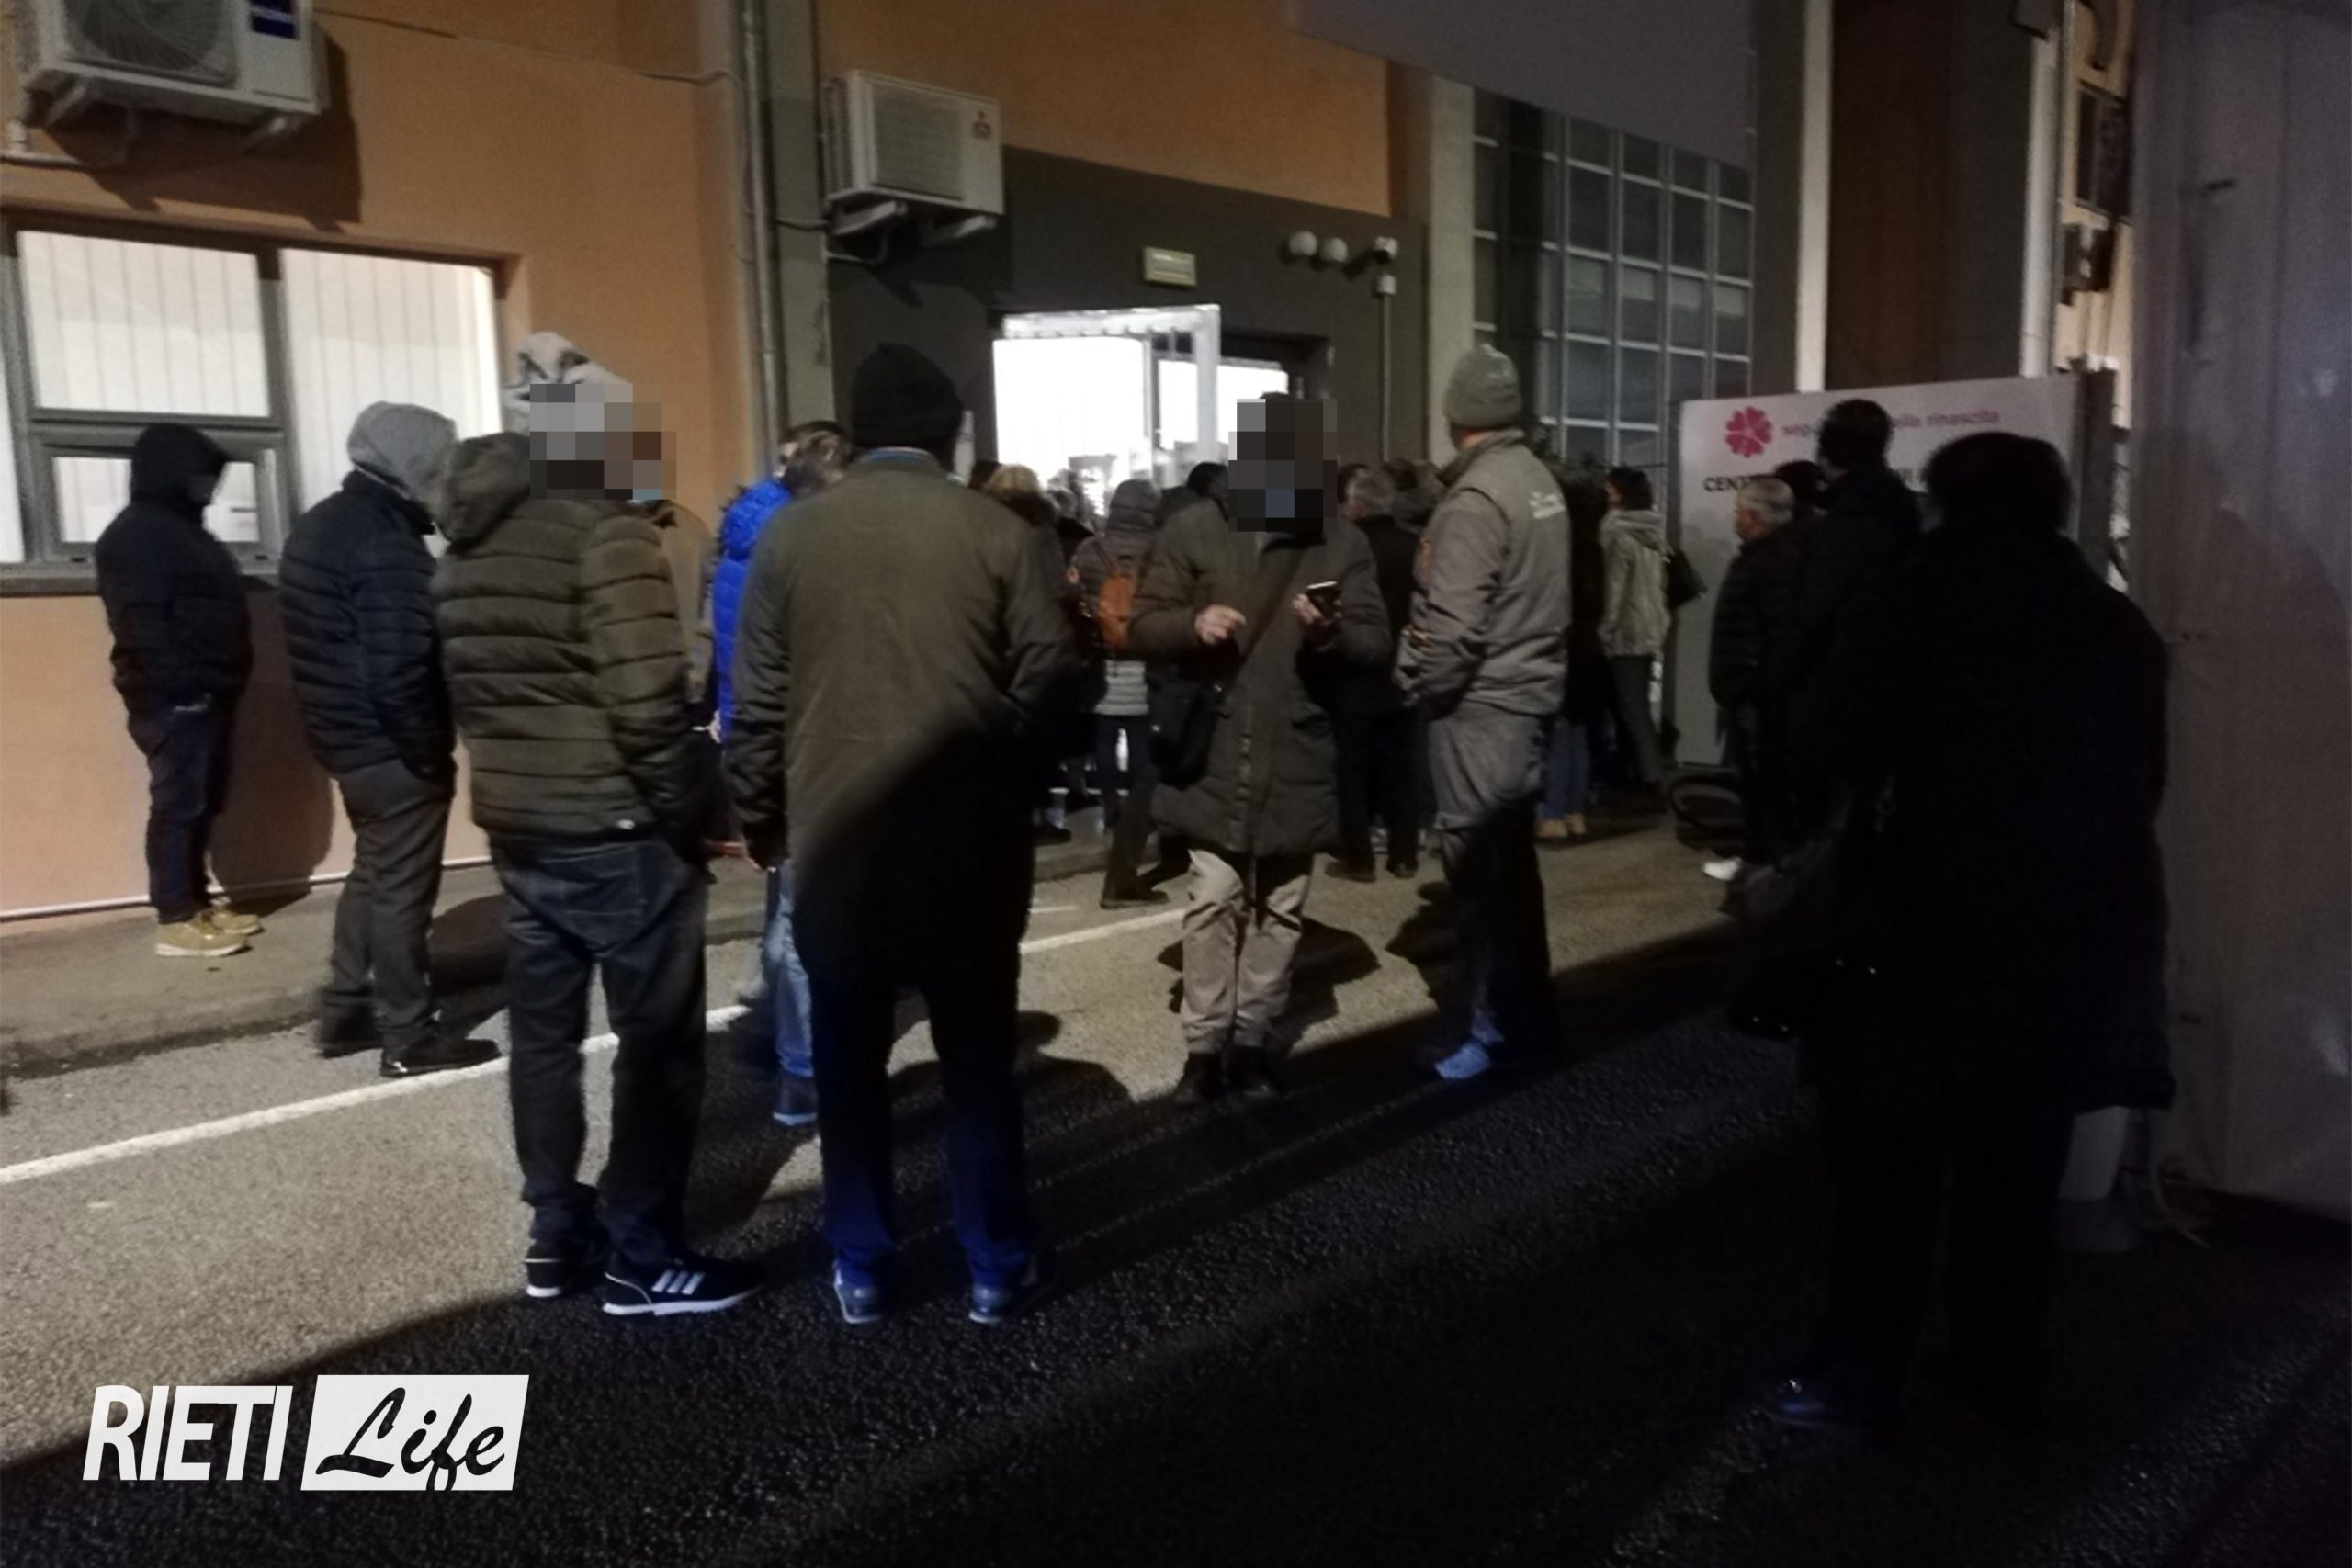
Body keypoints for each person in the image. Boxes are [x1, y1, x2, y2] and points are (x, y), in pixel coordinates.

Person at [1770, 432, 2171, 1438]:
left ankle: (1864, 1374)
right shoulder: (2112, 622)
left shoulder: (1911, 596)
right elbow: (2141, 786)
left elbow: (1827, 735)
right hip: (2057, 939)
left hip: (1912, 924)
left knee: (1886, 1171)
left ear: (1946, 500)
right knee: (2014, 1174)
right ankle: (1997, 1372)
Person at [726, 344, 1080, 1328]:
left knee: (848, 1067)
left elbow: (757, 705)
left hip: (837, 842)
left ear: (858, 429)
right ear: (950, 433)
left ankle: (863, 1266)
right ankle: (996, 1263)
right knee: (977, 1065)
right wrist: (1006, 779)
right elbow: (1052, 682)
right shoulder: (999, 532)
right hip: (968, 848)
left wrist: (762, 818)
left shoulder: (792, 538)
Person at [435, 390, 758, 1319]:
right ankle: (644, 1254)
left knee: (542, 1042)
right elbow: (648, 703)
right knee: (657, 1048)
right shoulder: (604, 535)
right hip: (619, 830)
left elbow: (455, 691)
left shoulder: (464, 548)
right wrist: (687, 812)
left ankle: (555, 1228)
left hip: (520, 828)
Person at [1127, 397, 1387, 1104]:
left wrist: (1331, 633)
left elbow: (1376, 643)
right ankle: (1204, 1045)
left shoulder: (1341, 541)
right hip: (1217, 745)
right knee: (1213, 896)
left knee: (1281, 905)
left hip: (1299, 744)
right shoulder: (1195, 528)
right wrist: (1192, 622)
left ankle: (1252, 1039)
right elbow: (1143, 625)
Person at [279, 402, 493, 1078]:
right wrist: (428, 750)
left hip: (345, 739)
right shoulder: (386, 544)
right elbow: (398, 665)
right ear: (414, 466)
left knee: (374, 872)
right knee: (403, 890)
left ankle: (346, 1007)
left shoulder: (323, 524)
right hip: (390, 746)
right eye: (443, 463)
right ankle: (409, 1035)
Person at [1399, 346, 1572, 1082]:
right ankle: (1529, 1016)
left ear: (1456, 415)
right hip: (1527, 697)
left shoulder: (1474, 499)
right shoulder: (1536, 479)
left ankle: (1480, 1025)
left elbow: (1454, 631)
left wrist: (1427, 689)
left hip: (1480, 707)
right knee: (1513, 873)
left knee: (1478, 880)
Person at [714, 420, 851, 1128]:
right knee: (805, 917)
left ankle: (781, 1034)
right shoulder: (802, 546)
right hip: (806, 743)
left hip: (753, 737)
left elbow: (735, 659)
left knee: (784, 907)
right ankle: (804, 1068)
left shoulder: (742, 538)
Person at [94, 424, 261, 959]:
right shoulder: (138, 536)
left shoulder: (182, 530)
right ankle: (176, 917)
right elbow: (143, 624)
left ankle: (198, 901)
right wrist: (182, 687)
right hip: (177, 696)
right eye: (199, 477)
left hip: (208, 690)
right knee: (179, 804)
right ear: (170, 472)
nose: (208, 488)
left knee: (202, 801)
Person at [1773, 400, 1920, 838]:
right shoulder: (1908, 516)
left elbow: (1813, 615)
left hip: (1837, 702)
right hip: (1895, 699)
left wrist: (1773, 684)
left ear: (1826, 454)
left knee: (1825, 833)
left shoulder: (1846, 526)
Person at [1077, 477, 1171, 908]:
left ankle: (1111, 804)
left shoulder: (1090, 549)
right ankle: (1138, 808)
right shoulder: (1161, 550)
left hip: (1103, 661)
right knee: (1140, 741)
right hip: (1146, 658)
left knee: (1103, 737)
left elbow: (1074, 596)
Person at [1327, 463, 1423, 881]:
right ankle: (1404, 853)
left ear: (1356, 505)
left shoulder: (1346, 547)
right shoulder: (1413, 545)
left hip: (1353, 669)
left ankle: (1358, 856)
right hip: (1402, 668)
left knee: (1352, 769)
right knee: (1400, 767)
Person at [1704, 477, 1802, 879]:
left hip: (1755, 695)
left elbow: (1774, 632)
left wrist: (1750, 687)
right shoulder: (1775, 557)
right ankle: (1762, 860)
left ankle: (1765, 866)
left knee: (1764, 784)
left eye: (1738, 510)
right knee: (1757, 783)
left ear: (1753, 515)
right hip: (1751, 691)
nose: (1735, 517)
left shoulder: (1770, 562)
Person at [1539, 465, 1612, 844]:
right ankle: (1574, 810)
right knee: (1578, 733)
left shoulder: (1559, 549)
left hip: (1561, 647)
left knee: (1557, 733)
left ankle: (1552, 813)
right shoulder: (1594, 548)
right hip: (1589, 650)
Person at [1598, 466, 1671, 804]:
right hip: (1650, 627)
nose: (1606, 494)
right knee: (1636, 703)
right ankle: (1641, 773)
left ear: (1620, 493)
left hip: (1626, 632)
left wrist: (1605, 631)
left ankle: (1650, 780)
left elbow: (1614, 588)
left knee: (1633, 709)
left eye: (1610, 489)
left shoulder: (1616, 532)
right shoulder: (1652, 530)